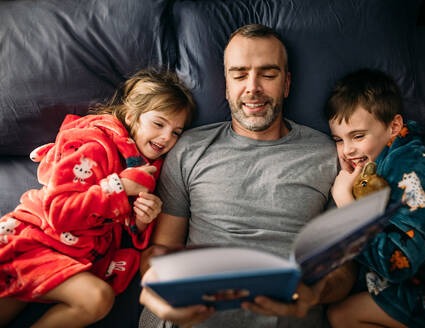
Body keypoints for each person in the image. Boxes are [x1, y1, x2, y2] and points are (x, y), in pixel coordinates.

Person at [139, 24, 358, 328]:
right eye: (240, 75)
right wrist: (158, 283)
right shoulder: (188, 148)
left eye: (268, 75)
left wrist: (316, 290)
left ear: (286, 84)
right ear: (226, 86)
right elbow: (158, 250)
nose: (252, 87)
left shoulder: (327, 154)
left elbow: (344, 271)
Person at [0, 68, 195, 328]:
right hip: (33, 240)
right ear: (131, 117)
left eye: (176, 132)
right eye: (159, 124)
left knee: (97, 299)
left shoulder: (147, 172)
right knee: (96, 298)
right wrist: (119, 188)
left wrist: (141, 221)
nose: (166, 138)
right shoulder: (93, 144)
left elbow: (122, 233)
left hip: (67, 257)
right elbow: (58, 211)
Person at [324, 68, 425, 328]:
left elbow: (398, 264)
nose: (347, 151)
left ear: (394, 126)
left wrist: (347, 206)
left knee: (342, 316)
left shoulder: (414, 172)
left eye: (358, 136)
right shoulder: (376, 167)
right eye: (338, 139)